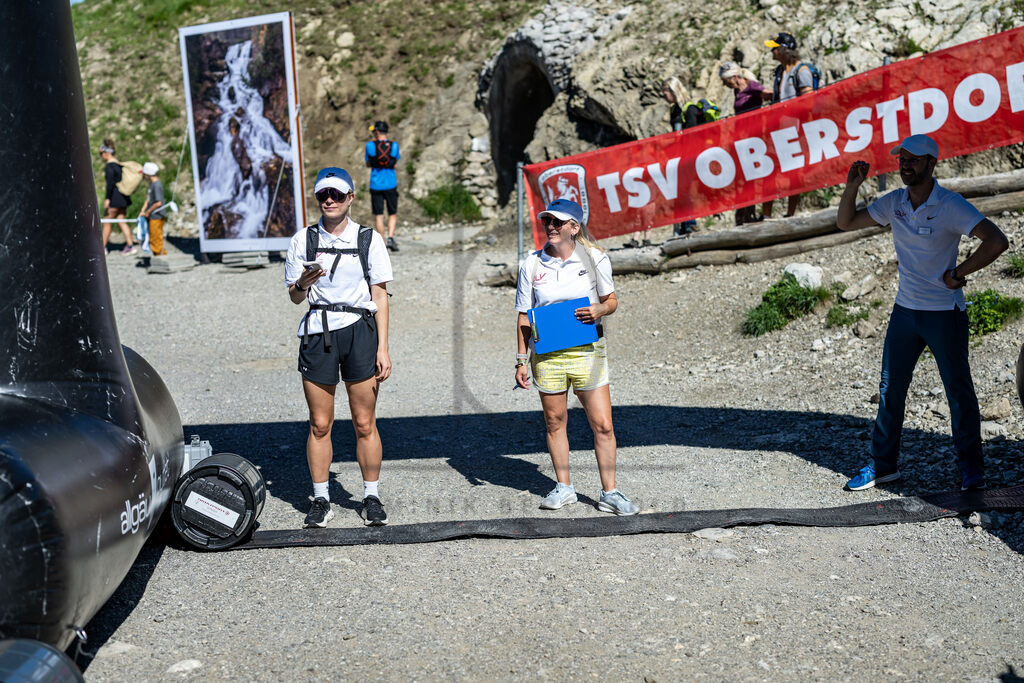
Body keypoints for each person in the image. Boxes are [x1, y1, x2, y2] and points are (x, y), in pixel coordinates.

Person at [836, 134, 1008, 492]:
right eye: (902, 159)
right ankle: (883, 467)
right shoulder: (895, 201)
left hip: (944, 313)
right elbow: (846, 222)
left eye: (914, 160)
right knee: (889, 390)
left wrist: (959, 273)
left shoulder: (950, 204)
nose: (905, 165)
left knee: (958, 393)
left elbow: (997, 240)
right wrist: (852, 185)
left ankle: (972, 471)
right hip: (905, 312)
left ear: (932, 164)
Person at [515, 198, 639, 516]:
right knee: (555, 422)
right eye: (547, 222)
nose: (551, 227)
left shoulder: (596, 258)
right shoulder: (530, 263)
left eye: (558, 222)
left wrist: (600, 308)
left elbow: (611, 300)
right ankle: (564, 488)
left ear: (575, 227)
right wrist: (520, 360)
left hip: (588, 352)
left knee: (603, 424)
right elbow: (524, 317)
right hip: (548, 356)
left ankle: (610, 493)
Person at [285, 167, 393, 528]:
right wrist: (302, 282)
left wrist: (383, 347)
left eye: (336, 194)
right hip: (319, 332)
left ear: (350, 198)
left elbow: (380, 293)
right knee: (319, 423)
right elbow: (295, 298)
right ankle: (320, 499)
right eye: (322, 195)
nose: (328, 200)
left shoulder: (368, 239)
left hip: (360, 332)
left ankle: (371, 495)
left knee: (365, 421)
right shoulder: (303, 240)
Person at [762, 32, 816, 218]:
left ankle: (790, 213)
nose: (772, 52)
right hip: (778, 129)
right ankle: (766, 215)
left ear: (784, 50)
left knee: (794, 172)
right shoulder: (780, 72)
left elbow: (808, 101)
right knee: (770, 170)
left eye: (774, 48)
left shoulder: (801, 71)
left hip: (794, 129)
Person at [719, 62, 765, 224]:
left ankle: (750, 213)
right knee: (744, 177)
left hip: (754, 136)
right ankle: (745, 213)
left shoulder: (751, 87)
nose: (724, 84)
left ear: (735, 77)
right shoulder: (736, 91)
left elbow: (767, 93)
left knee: (752, 176)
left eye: (726, 80)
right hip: (742, 137)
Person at [365, 121, 401, 251]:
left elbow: (368, 164)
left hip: (376, 185)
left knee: (379, 215)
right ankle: (391, 238)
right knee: (392, 213)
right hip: (391, 183)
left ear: (377, 131)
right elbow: (395, 164)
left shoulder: (369, 145)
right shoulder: (394, 145)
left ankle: (383, 242)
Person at [99, 139, 136, 254]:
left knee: (107, 222)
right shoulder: (119, 165)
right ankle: (130, 246)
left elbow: (110, 184)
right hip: (124, 198)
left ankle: (102, 248)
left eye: (101, 153)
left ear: (106, 153)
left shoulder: (109, 166)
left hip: (114, 198)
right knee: (121, 220)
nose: (101, 156)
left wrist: (107, 199)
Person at [139, 162, 167, 257]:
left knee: (156, 238)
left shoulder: (156, 185)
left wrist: (148, 212)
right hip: (153, 215)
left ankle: (161, 257)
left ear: (148, 174)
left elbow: (158, 203)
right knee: (153, 237)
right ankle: (158, 256)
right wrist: (143, 210)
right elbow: (149, 199)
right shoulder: (152, 184)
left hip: (157, 215)